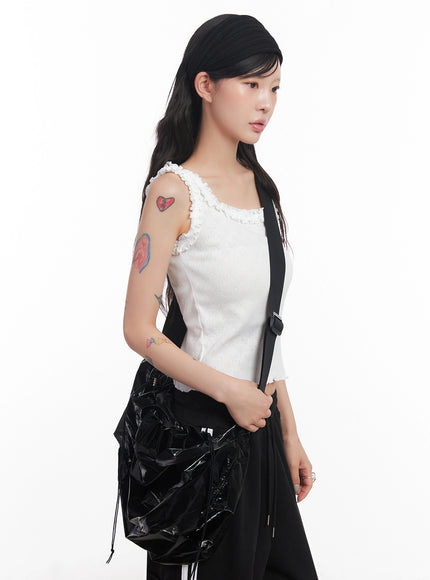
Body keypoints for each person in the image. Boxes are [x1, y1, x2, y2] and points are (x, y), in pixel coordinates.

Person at [122, 13, 319, 580]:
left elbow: (263, 325)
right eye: (251, 84)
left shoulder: (262, 190)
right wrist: (231, 391)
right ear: (205, 85)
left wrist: (288, 433)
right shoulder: (173, 193)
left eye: (274, 88)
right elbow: (138, 329)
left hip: (258, 426)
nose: (265, 103)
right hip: (203, 436)